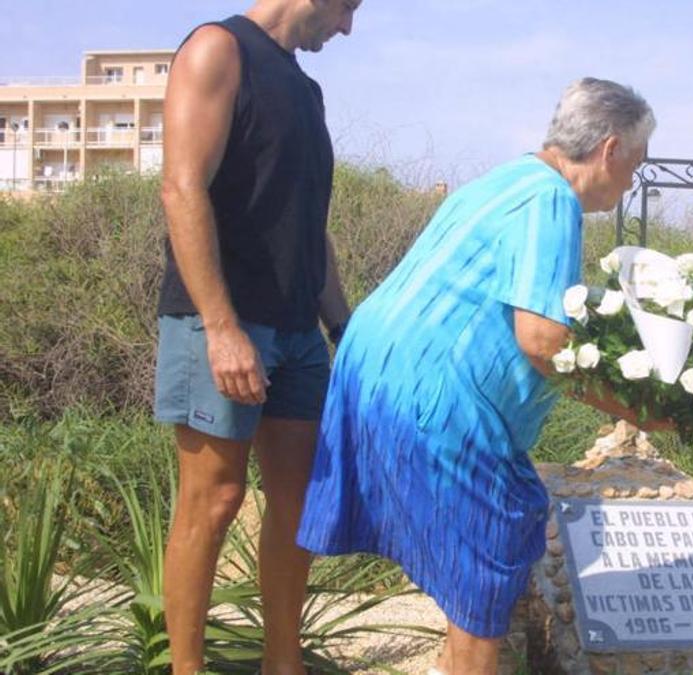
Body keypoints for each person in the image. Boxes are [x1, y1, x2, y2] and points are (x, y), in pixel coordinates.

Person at [297, 78, 662, 674]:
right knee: (492, 539)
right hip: (432, 393)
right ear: (610, 148)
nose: (630, 183)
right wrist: (637, 408)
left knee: (480, 555)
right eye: (635, 166)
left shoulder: (506, 179)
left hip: (372, 370)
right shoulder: (551, 201)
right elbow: (542, 341)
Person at [154, 1, 359, 672]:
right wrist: (220, 326)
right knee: (213, 498)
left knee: (299, 501)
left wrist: (344, 327)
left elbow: (311, 226)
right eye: (348, 8)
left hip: (299, 331)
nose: (348, 28)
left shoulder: (305, 89)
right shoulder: (219, 50)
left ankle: (282, 662)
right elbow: (183, 188)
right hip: (223, 320)